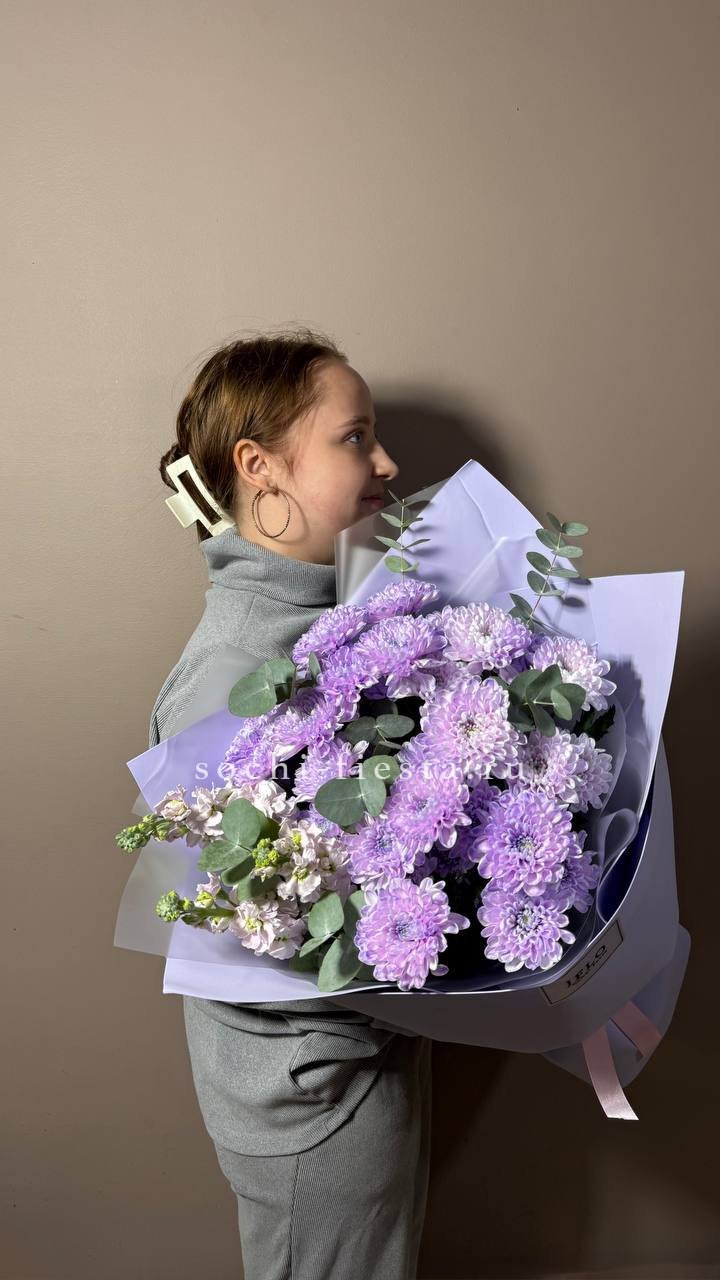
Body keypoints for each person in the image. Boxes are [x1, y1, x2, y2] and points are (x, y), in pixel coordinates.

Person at [149, 328, 432, 1280]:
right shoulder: (229, 673)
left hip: (356, 1071)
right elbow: (241, 938)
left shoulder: (330, 622)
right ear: (259, 467)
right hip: (315, 1103)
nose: (387, 463)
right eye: (356, 438)